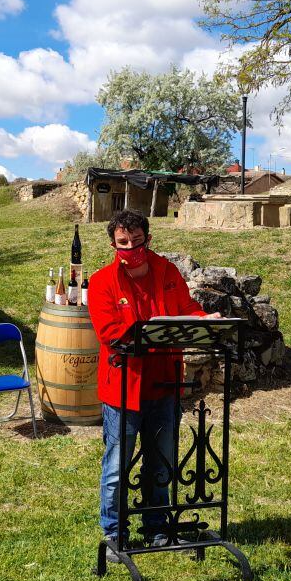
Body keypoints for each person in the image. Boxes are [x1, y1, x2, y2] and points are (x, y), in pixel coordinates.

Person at [87, 209, 219, 560]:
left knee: (161, 462)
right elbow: (109, 332)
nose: (131, 248)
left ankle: (157, 527)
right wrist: (150, 336)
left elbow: (187, 308)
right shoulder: (102, 281)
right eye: (123, 243)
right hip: (123, 387)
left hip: (164, 384)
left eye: (137, 240)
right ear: (114, 244)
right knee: (117, 466)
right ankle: (115, 533)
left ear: (148, 237)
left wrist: (206, 320)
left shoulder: (167, 271)